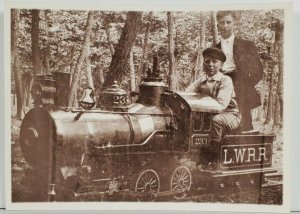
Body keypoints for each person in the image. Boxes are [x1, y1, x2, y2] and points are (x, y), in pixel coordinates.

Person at [215, 10, 263, 131]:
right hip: (222, 84)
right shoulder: (214, 49)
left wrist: (246, 83)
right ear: (218, 25)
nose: (225, 26)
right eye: (222, 23)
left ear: (233, 24)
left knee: (245, 122)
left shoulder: (247, 45)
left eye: (228, 22)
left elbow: (258, 70)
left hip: (241, 84)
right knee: (221, 119)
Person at [186, 47, 241, 142]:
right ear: (203, 64)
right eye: (207, 62)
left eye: (215, 61)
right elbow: (187, 95)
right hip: (208, 114)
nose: (210, 65)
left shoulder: (225, 80)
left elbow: (221, 105)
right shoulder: (201, 81)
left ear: (221, 65)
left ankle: (214, 150)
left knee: (216, 120)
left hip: (230, 114)